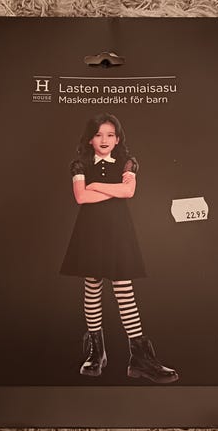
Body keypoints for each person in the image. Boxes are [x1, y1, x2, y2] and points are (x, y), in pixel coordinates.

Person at [60, 112, 178, 384]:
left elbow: (129, 192)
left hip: (118, 231)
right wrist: (110, 189)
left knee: (124, 287)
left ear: (117, 139)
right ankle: (96, 352)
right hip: (90, 231)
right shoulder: (79, 164)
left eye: (110, 135)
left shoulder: (127, 162)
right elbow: (81, 197)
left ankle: (140, 358)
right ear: (89, 139)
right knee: (92, 284)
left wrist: (96, 185)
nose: (104, 140)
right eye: (98, 134)